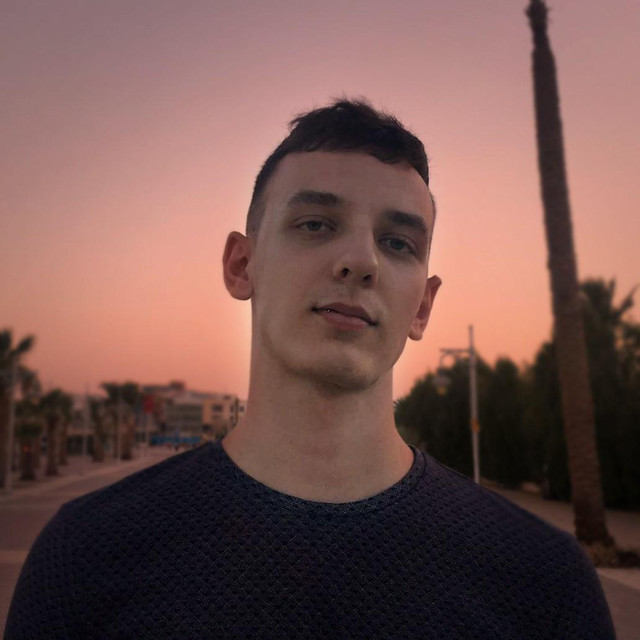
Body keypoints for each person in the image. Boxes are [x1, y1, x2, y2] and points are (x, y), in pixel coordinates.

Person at [5, 99, 615, 639]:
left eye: (398, 242)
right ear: (242, 265)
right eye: (316, 224)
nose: (360, 260)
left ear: (423, 306)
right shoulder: (86, 556)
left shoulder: (544, 584)